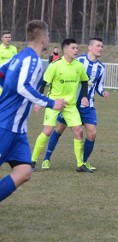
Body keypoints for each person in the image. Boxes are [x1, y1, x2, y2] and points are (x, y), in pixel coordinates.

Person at [0, 20, 67, 202]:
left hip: (18, 131)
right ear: (44, 39)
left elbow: (1, 74)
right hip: (6, 126)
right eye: (48, 36)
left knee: (23, 171)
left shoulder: (19, 57)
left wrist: (7, 92)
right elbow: (23, 87)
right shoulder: (33, 60)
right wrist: (50, 102)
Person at [41, 38, 110, 171]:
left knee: (92, 133)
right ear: (90, 48)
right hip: (71, 104)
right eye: (98, 46)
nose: (100, 48)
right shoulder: (78, 61)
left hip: (88, 105)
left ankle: (82, 162)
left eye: (102, 46)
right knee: (58, 130)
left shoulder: (101, 67)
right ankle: (46, 158)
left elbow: (98, 86)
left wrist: (103, 92)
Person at [30, 38, 90, 172]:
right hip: (54, 103)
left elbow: (85, 81)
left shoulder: (79, 66)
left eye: (77, 48)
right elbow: (43, 83)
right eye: (73, 48)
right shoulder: (55, 65)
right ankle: (32, 161)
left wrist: (84, 96)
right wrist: (39, 102)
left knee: (79, 131)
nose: (76, 50)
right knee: (47, 131)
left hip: (70, 105)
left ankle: (80, 165)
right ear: (65, 50)